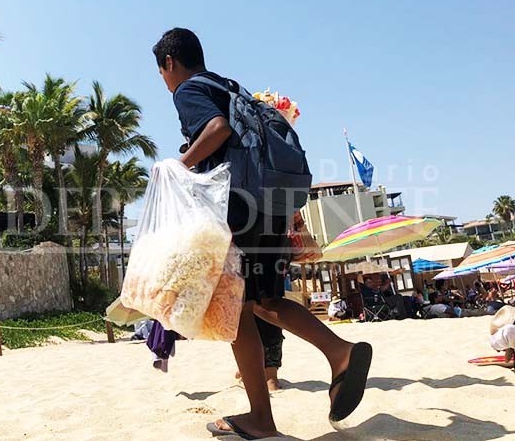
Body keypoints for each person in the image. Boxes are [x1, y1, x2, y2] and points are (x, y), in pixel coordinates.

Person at [154, 28, 372, 438]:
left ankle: (327, 362)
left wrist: (179, 165)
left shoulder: (187, 91)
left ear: (169, 63)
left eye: (162, 73)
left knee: (241, 307)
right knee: (261, 300)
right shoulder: (228, 85)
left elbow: (217, 129)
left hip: (240, 205)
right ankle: (291, 391)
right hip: (269, 203)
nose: (164, 82)